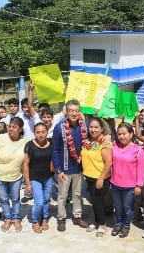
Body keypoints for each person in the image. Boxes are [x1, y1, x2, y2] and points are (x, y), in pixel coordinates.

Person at [52, 99, 89, 232]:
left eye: (76, 111)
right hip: (64, 169)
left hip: (79, 168)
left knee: (78, 194)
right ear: (66, 112)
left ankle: (77, 216)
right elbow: (55, 149)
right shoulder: (59, 127)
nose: (74, 113)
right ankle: (61, 218)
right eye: (71, 111)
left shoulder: (84, 126)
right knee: (62, 195)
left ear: (79, 112)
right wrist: (58, 169)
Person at [0, 117, 27, 232]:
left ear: (20, 129)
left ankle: (16, 218)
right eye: (9, 126)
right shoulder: (0, 138)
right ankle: (8, 218)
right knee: (4, 199)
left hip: (16, 177)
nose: (10, 129)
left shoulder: (25, 142)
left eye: (14, 127)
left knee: (15, 199)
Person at [110, 122, 144, 238]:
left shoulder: (138, 150)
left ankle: (126, 225)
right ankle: (118, 223)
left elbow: (141, 169)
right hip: (115, 183)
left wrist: (139, 186)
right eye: (119, 134)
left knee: (127, 207)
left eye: (124, 134)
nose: (122, 136)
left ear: (131, 134)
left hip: (130, 186)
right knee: (117, 206)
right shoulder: (114, 145)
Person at [81, 117, 113, 237]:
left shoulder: (105, 142)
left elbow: (109, 162)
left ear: (101, 128)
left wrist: (101, 178)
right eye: (91, 127)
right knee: (94, 201)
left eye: (96, 127)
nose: (93, 129)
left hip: (100, 177)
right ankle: (97, 221)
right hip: (89, 176)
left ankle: (103, 225)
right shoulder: (88, 141)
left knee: (98, 202)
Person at [23, 122, 54, 233]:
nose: (41, 135)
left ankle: (45, 218)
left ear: (47, 132)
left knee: (46, 199)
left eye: (43, 132)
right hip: (34, 178)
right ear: (34, 133)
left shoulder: (51, 143)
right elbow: (25, 165)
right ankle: (35, 220)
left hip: (48, 178)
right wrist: (27, 183)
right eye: (38, 132)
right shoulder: (29, 145)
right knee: (39, 202)